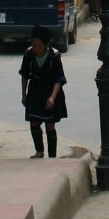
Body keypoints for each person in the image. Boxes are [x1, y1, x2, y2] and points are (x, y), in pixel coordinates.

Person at [18, 26, 68, 158]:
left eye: (39, 45)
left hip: (51, 90)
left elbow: (58, 79)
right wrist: (24, 94)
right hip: (35, 90)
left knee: (50, 125)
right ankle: (39, 151)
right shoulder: (29, 54)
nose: (36, 48)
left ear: (46, 45)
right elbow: (24, 75)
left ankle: (52, 156)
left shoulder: (54, 56)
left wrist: (52, 97)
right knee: (34, 121)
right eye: (34, 45)